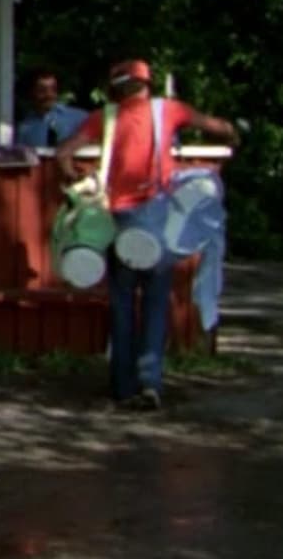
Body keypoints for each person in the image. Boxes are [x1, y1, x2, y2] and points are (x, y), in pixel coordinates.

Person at [54, 58, 238, 412]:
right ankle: (150, 384)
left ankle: (122, 387)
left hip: (118, 217)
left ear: (116, 87)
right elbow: (215, 126)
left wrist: (77, 181)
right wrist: (232, 132)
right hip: (158, 218)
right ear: (146, 83)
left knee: (122, 304)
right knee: (155, 304)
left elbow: (64, 152)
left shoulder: (104, 117)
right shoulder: (168, 111)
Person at [14, 68, 88, 147]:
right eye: (42, 90)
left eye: (53, 89)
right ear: (30, 92)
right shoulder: (24, 127)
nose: (49, 94)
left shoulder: (79, 117)